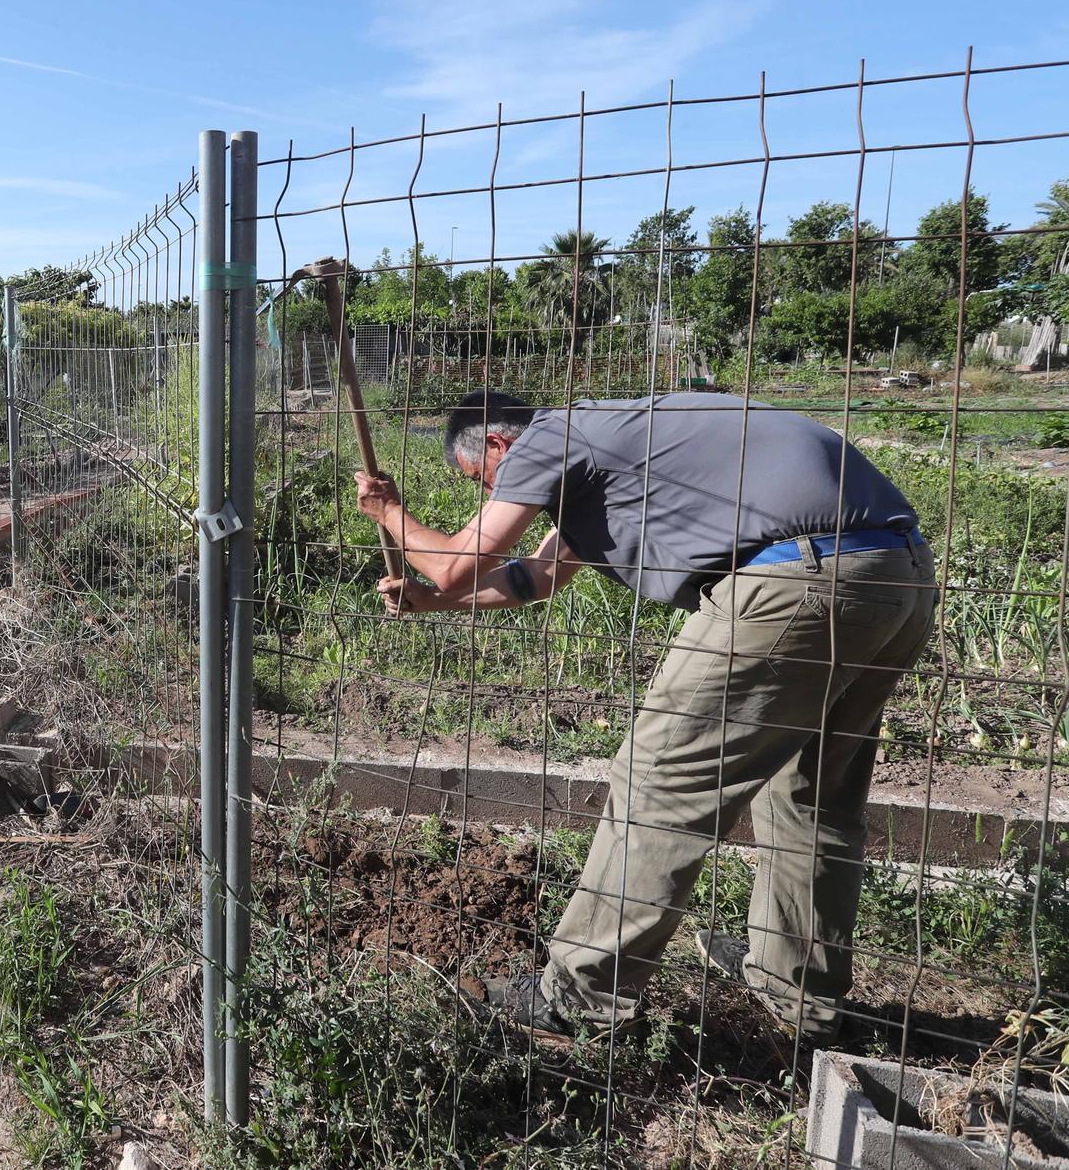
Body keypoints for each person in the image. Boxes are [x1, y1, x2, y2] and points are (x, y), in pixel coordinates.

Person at [354, 389, 935, 1045]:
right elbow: (538, 576)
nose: (492, 494)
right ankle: (800, 1001)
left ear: (497, 445)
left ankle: (575, 1001)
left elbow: (458, 563)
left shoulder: (550, 435)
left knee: (655, 782)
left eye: (483, 482)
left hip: (795, 582)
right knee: (809, 800)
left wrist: (391, 514)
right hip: (896, 573)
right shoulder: (612, 442)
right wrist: (435, 605)